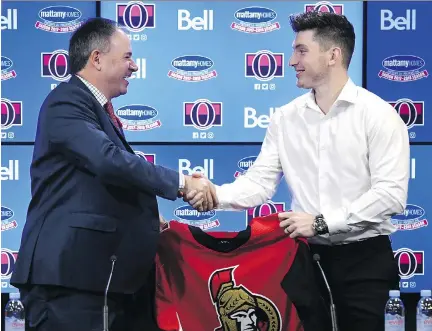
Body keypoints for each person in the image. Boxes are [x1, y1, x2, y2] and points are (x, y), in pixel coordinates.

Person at [185, 11, 409, 331]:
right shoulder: (286, 118)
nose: (291, 61)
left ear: (333, 55)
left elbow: (390, 196)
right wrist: (212, 194)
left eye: (301, 51)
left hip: (366, 264)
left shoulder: (378, 116)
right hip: (306, 261)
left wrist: (320, 222)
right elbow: (259, 182)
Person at [10, 17, 217, 331]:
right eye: (127, 57)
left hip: (98, 282)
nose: (134, 67)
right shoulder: (65, 102)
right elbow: (108, 161)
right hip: (70, 282)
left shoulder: (93, 110)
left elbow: (98, 181)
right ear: (97, 59)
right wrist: (181, 183)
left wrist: (144, 218)